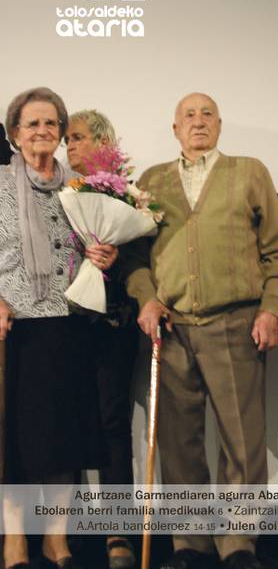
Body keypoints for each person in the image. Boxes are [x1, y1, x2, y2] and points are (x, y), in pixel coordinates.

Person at [123, 92, 278, 569]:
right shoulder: (151, 181)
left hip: (236, 323)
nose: (198, 122)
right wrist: (147, 297)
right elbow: (135, 256)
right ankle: (190, 544)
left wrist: (271, 309)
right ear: (175, 128)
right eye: (189, 115)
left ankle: (239, 543)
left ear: (219, 125)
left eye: (207, 114)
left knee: (243, 439)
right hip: (172, 329)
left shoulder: (250, 172)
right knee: (179, 443)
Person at [0, 87, 117, 569]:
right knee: (17, 440)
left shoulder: (81, 188)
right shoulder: (0, 186)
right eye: (32, 124)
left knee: (66, 437)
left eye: (51, 123)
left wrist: (104, 253)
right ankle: (14, 541)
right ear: (14, 134)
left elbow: (93, 247)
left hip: (71, 323)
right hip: (16, 327)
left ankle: (55, 538)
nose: (42, 131)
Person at [65, 110, 140, 569]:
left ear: (102, 142)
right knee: (68, 423)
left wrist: (116, 256)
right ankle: (69, 528)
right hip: (65, 325)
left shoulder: (128, 193)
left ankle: (118, 530)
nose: (69, 146)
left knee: (113, 423)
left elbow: (144, 254)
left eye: (77, 137)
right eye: (67, 139)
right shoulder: (60, 191)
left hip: (114, 322)